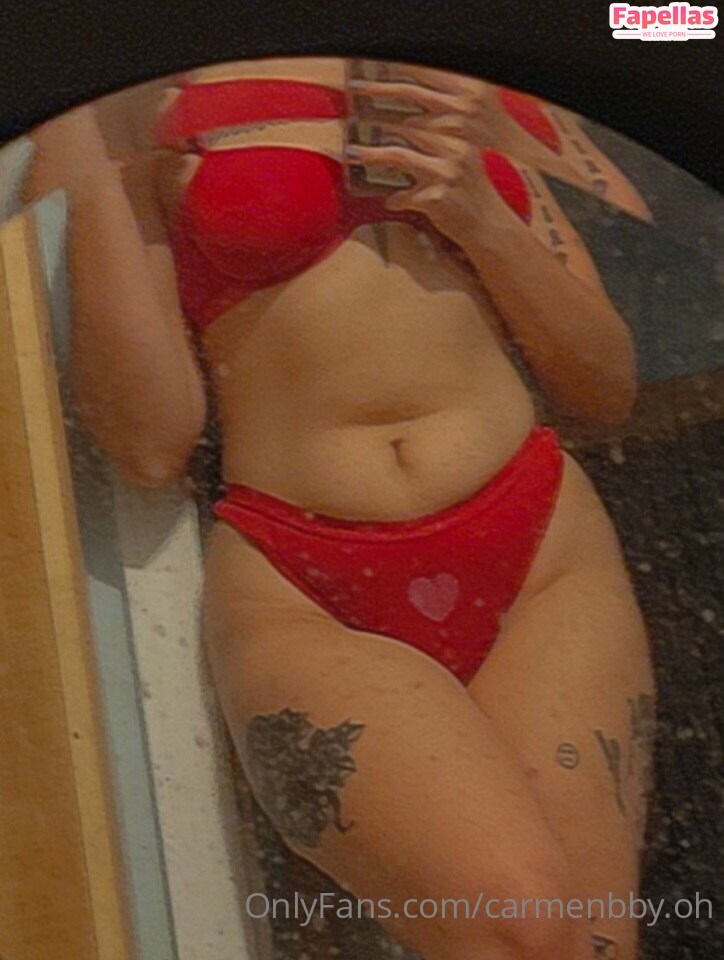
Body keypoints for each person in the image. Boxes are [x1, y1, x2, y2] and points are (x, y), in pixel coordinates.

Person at [26, 57, 655, 960]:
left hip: (542, 549)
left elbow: (604, 389)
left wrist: (479, 212)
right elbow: (150, 444)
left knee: (598, 944)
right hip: (303, 582)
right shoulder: (135, 93)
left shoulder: (455, 77)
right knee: (520, 924)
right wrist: (87, 154)